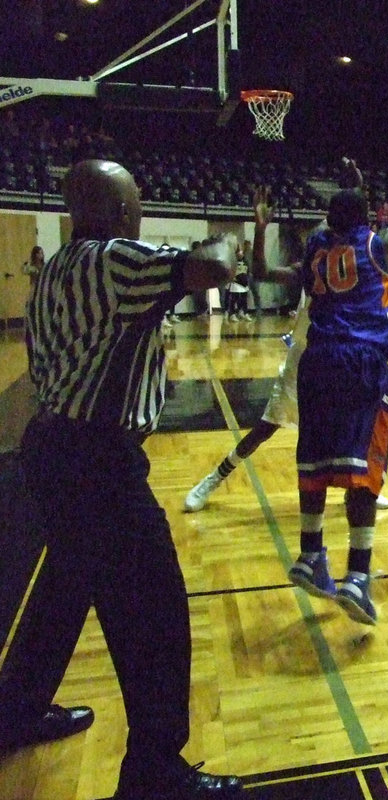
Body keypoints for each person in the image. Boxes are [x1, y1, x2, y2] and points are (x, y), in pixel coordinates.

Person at [0, 159, 244, 798]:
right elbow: (213, 265)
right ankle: (154, 772)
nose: (139, 212)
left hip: (50, 448)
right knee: (155, 614)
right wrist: (233, 236)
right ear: (119, 213)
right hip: (95, 463)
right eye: (135, 203)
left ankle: (16, 710)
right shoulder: (114, 262)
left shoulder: (54, 269)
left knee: (64, 588)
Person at [185, 161, 388, 513]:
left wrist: (357, 188)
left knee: (354, 427)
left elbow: (357, 233)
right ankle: (214, 479)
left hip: (335, 360)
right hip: (304, 362)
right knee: (265, 428)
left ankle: (359, 487)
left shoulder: (349, 264)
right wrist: (261, 229)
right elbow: (263, 272)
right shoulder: (313, 267)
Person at [288, 152, 388, 627]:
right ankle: (357, 576)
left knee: (315, 462)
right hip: (360, 363)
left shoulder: (315, 244)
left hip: (316, 361)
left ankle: (311, 553)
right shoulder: (376, 246)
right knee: (364, 472)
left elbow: (348, 218)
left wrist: (354, 187)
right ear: (366, 218)